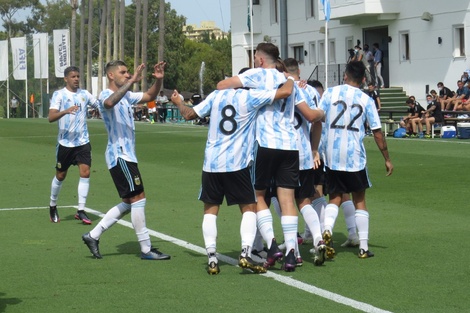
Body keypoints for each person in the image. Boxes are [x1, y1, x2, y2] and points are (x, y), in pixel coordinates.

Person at [170, 68, 297, 275]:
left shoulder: (216, 95)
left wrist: (178, 103)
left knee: (210, 210)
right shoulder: (250, 96)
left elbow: (189, 114)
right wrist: (291, 78)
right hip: (237, 163)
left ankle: (212, 258)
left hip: (211, 163)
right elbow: (284, 93)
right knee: (249, 208)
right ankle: (246, 253)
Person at [217, 43, 323, 272]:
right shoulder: (290, 81)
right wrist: (322, 112)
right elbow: (309, 114)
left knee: (258, 196)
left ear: (262, 59)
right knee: (287, 199)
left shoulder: (257, 75)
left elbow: (222, 85)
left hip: (264, 143)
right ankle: (292, 253)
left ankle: (272, 244)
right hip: (290, 145)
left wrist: (250, 92)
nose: (255, 62)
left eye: (255, 58)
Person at [81, 60, 170, 261]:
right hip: (119, 154)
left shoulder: (127, 95)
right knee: (139, 198)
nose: (128, 75)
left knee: (129, 202)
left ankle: (92, 235)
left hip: (126, 155)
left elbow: (149, 96)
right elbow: (110, 103)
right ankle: (146, 249)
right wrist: (133, 81)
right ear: (111, 75)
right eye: (123, 72)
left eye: (128, 72)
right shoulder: (106, 94)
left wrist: (158, 80)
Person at [317, 60, 393, 259]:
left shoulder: (329, 93)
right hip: (355, 157)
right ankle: (364, 248)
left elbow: (317, 118)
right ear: (363, 80)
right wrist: (387, 158)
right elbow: (377, 132)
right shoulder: (366, 99)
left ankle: (327, 231)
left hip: (332, 155)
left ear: (345, 75)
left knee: (334, 197)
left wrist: (316, 148)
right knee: (359, 200)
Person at [48, 66, 99, 224]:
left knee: (85, 173)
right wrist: (65, 111)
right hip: (65, 143)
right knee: (61, 175)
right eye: (73, 76)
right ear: (66, 79)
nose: (76, 79)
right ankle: (52, 205)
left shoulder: (85, 94)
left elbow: (100, 105)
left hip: (82, 141)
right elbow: (51, 117)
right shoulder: (59, 95)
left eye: (78, 76)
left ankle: (81, 210)